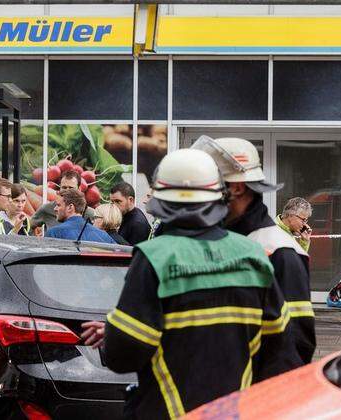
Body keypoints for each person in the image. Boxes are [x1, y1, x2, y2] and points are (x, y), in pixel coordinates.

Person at [80, 149, 293, 419]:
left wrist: (114, 334)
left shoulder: (155, 257)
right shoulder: (253, 256)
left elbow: (126, 355)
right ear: (218, 199)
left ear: (162, 203)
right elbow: (279, 347)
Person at [193, 135, 316, 366]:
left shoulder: (280, 252)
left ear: (236, 188)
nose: (200, 198)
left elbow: (296, 347)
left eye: (208, 188)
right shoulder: (222, 239)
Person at [31, 170, 96, 230]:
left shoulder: (89, 214)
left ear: (79, 189)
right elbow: (28, 226)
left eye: (71, 188)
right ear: (59, 188)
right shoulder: (47, 209)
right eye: (64, 188)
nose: (67, 191)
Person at [45, 189, 115, 244]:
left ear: (70, 207)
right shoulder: (104, 236)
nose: (55, 209)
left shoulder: (54, 233)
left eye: (58, 205)